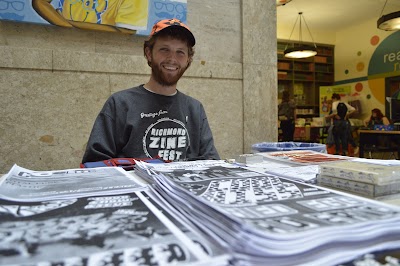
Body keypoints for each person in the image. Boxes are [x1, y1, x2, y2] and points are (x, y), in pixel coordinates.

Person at [82, 18, 220, 163]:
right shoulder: (120, 104)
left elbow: (210, 162)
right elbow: (94, 164)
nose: (172, 58)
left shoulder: (195, 109)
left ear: (188, 59)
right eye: (164, 50)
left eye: (180, 52)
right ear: (149, 53)